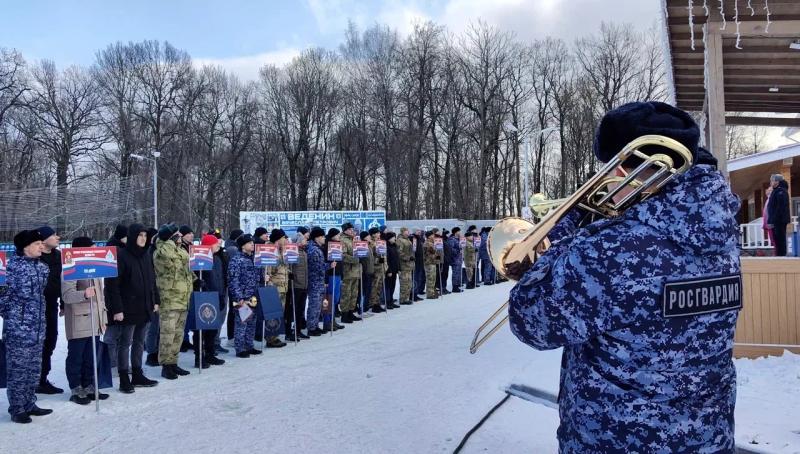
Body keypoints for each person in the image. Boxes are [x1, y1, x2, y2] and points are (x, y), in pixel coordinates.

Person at [508, 101, 742, 452]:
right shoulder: (719, 230)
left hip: (616, 441)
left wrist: (568, 236)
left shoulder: (607, 249)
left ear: (622, 168)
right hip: (708, 439)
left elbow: (530, 321)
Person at [2, 230, 52, 423]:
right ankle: (17, 409)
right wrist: (15, 317)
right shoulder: (10, 267)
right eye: (38, 243)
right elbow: (2, 297)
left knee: (33, 368)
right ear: (26, 247)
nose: (42, 246)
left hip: (38, 328)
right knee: (18, 370)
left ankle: (29, 403)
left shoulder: (42, 268)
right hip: (18, 329)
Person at [104, 224, 160, 392]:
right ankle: (123, 377)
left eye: (145, 235)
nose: (143, 238)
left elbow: (152, 280)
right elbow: (113, 285)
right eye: (140, 235)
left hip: (144, 307)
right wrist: (117, 309)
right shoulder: (122, 256)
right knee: (125, 342)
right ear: (133, 236)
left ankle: (137, 373)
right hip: (127, 308)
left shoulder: (146, 255)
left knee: (139, 342)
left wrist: (155, 300)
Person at [61, 236, 109, 405]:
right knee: (77, 357)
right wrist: (83, 294)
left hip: (94, 320)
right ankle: (76, 387)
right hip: (79, 320)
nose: (95, 250)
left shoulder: (94, 267)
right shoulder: (71, 267)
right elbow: (67, 296)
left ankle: (89, 385)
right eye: (92, 247)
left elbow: (100, 296)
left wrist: (103, 317)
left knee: (91, 356)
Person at [153, 223, 194, 380]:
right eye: (177, 235)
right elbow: (168, 262)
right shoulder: (162, 251)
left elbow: (185, 270)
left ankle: (173, 362)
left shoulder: (180, 250)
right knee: (167, 334)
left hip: (183, 298)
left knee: (178, 334)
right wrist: (169, 240)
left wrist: (195, 280)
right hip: (169, 299)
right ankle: (165, 365)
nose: (180, 237)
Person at [30, 226, 63, 395]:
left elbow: (64, 279)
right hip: (35, 307)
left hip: (51, 305)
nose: (57, 237)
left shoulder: (59, 256)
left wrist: (63, 302)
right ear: (43, 239)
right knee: (37, 344)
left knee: (51, 341)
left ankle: (42, 379)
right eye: (53, 235)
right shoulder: (35, 257)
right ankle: (33, 380)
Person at [191, 234, 226, 368]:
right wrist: (197, 284)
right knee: (201, 329)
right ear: (208, 245)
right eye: (215, 243)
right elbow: (194, 276)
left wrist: (222, 295)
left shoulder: (217, 259)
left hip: (216, 296)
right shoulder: (199, 258)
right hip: (203, 297)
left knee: (212, 328)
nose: (218, 245)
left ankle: (210, 354)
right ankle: (199, 357)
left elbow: (220, 279)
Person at [228, 234, 261, 358]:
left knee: (252, 322)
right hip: (242, 298)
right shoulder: (236, 260)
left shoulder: (252, 258)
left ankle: (249, 345)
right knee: (242, 323)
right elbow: (233, 280)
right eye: (249, 243)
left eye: (253, 242)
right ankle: (240, 348)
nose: (252, 244)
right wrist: (238, 297)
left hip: (253, 296)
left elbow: (256, 276)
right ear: (243, 246)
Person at [263, 229, 288, 348]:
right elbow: (268, 272)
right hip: (274, 288)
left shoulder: (281, 251)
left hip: (283, 287)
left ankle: (275, 335)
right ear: (278, 239)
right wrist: (269, 284)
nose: (286, 240)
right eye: (284, 238)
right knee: (273, 313)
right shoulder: (269, 251)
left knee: (279, 313)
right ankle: (271, 338)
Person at [286, 232, 310, 341]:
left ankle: (298, 330)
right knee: (293, 310)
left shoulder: (304, 252)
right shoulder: (292, 252)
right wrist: (290, 274)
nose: (306, 241)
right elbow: (289, 267)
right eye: (304, 239)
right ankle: (289, 331)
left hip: (304, 284)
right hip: (295, 285)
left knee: (301, 309)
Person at [305, 227, 328, 336]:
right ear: (317, 237)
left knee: (318, 305)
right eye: (323, 236)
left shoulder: (317, 248)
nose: (324, 239)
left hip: (318, 281)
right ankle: (311, 327)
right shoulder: (314, 250)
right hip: (314, 282)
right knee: (314, 305)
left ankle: (315, 325)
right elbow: (317, 267)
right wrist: (329, 265)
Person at [322, 228, 345, 332]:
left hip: (338, 274)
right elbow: (325, 264)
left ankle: (332, 319)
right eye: (337, 235)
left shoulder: (338, 245)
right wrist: (326, 279)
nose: (339, 236)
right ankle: (327, 321)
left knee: (335, 299)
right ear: (332, 236)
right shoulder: (327, 247)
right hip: (331, 275)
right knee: (329, 298)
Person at [338, 223, 362, 323]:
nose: (352, 231)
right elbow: (342, 255)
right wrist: (354, 260)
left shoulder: (354, 240)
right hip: (348, 271)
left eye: (353, 229)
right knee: (346, 294)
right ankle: (344, 314)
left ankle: (351, 312)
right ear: (345, 230)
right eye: (350, 229)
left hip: (356, 271)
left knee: (354, 293)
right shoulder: (343, 240)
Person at [767, 174, 791, 257]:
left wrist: (774, 219)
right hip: (775, 220)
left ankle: (782, 255)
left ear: (777, 181)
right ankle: (779, 254)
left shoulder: (781, 192)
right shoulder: (776, 191)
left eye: (772, 180)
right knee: (776, 239)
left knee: (780, 238)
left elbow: (780, 207)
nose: (771, 182)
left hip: (779, 220)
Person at [358, 230, 376, 314]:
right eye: (368, 236)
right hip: (365, 272)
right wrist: (364, 271)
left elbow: (371, 259)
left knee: (368, 291)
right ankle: (361, 308)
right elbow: (361, 260)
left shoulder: (369, 246)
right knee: (364, 291)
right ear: (364, 237)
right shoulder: (362, 246)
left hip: (370, 271)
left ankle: (365, 307)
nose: (370, 237)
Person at [396, 228, 414, 305]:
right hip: (403, 265)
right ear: (402, 232)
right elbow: (399, 252)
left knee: (409, 283)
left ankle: (406, 298)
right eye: (406, 231)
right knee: (404, 283)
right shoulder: (400, 240)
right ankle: (403, 299)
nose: (408, 232)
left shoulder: (408, 240)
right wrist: (407, 257)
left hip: (409, 265)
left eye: (408, 231)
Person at [423, 231, 442, 299]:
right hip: (429, 263)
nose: (433, 236)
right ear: (429, 236)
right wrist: (436, 255)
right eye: (432, 235)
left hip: (433, 262)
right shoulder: (428, 243)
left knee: (433, 278)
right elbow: (431, 253)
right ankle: (430, 294)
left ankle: (432, 291)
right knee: (430, 278)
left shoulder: (432, 243)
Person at [384, 232, 400, 306]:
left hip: (394, 269)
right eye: (393, 237)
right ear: (389, 238)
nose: (395, 239)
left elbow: (397, 259)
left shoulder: (394, 246)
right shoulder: (386, 247)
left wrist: (398, 269)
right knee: (388, 286)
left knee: (393, 286)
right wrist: (388, 270)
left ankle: (391, 300)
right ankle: (388, 301)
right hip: (389, 270)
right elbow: (386, 260)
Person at [446, 227, 463, 293]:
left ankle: (457, 284)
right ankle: (455, 287)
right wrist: (458, 251)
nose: (460, 233)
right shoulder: (452, 239)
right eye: (459, 231)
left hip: (459, 258)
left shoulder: (459, 239)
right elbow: (450, 249)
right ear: (456, 232)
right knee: (455, 273)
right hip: (454, 259)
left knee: (458, 272)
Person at [413, 229, 425, 301]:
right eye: (417, 231)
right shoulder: (414, 239)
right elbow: (414, 250)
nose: (419, 232)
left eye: (420, 231)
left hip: (420, 262)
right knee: (415, 278)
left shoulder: (420, 239)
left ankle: (416, 293)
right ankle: (414, 293)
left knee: (418, 278)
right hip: (416, 261)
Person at [439, 229, 451, 295]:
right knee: (443, 274)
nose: (448, 235)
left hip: (447, 260)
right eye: (447, 234)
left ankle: (444, 287)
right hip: (443, 260)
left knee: (446, 274)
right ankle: (442, 288)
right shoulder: (442, 241)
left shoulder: (447, 240)